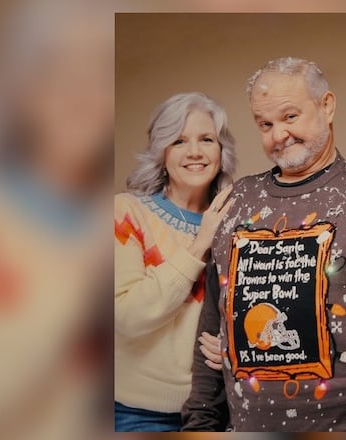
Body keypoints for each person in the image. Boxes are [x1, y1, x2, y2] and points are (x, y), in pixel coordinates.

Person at [181, 57, 346, 432]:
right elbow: (212, 327)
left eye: (290, 116)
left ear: (327, 106)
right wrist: (199, 422)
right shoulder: (238, 200)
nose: (278, 134)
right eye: (265, 124)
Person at [114, 92, 237, 431]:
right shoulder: (126, 213)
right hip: (136, 414)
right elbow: (127, 315)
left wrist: (232, 341)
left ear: (221, 151)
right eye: (179, 141)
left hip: (215, 410)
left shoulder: (239, 222)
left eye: (207, 139)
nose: (195, 152)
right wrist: (199, 245)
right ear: (161, 152)